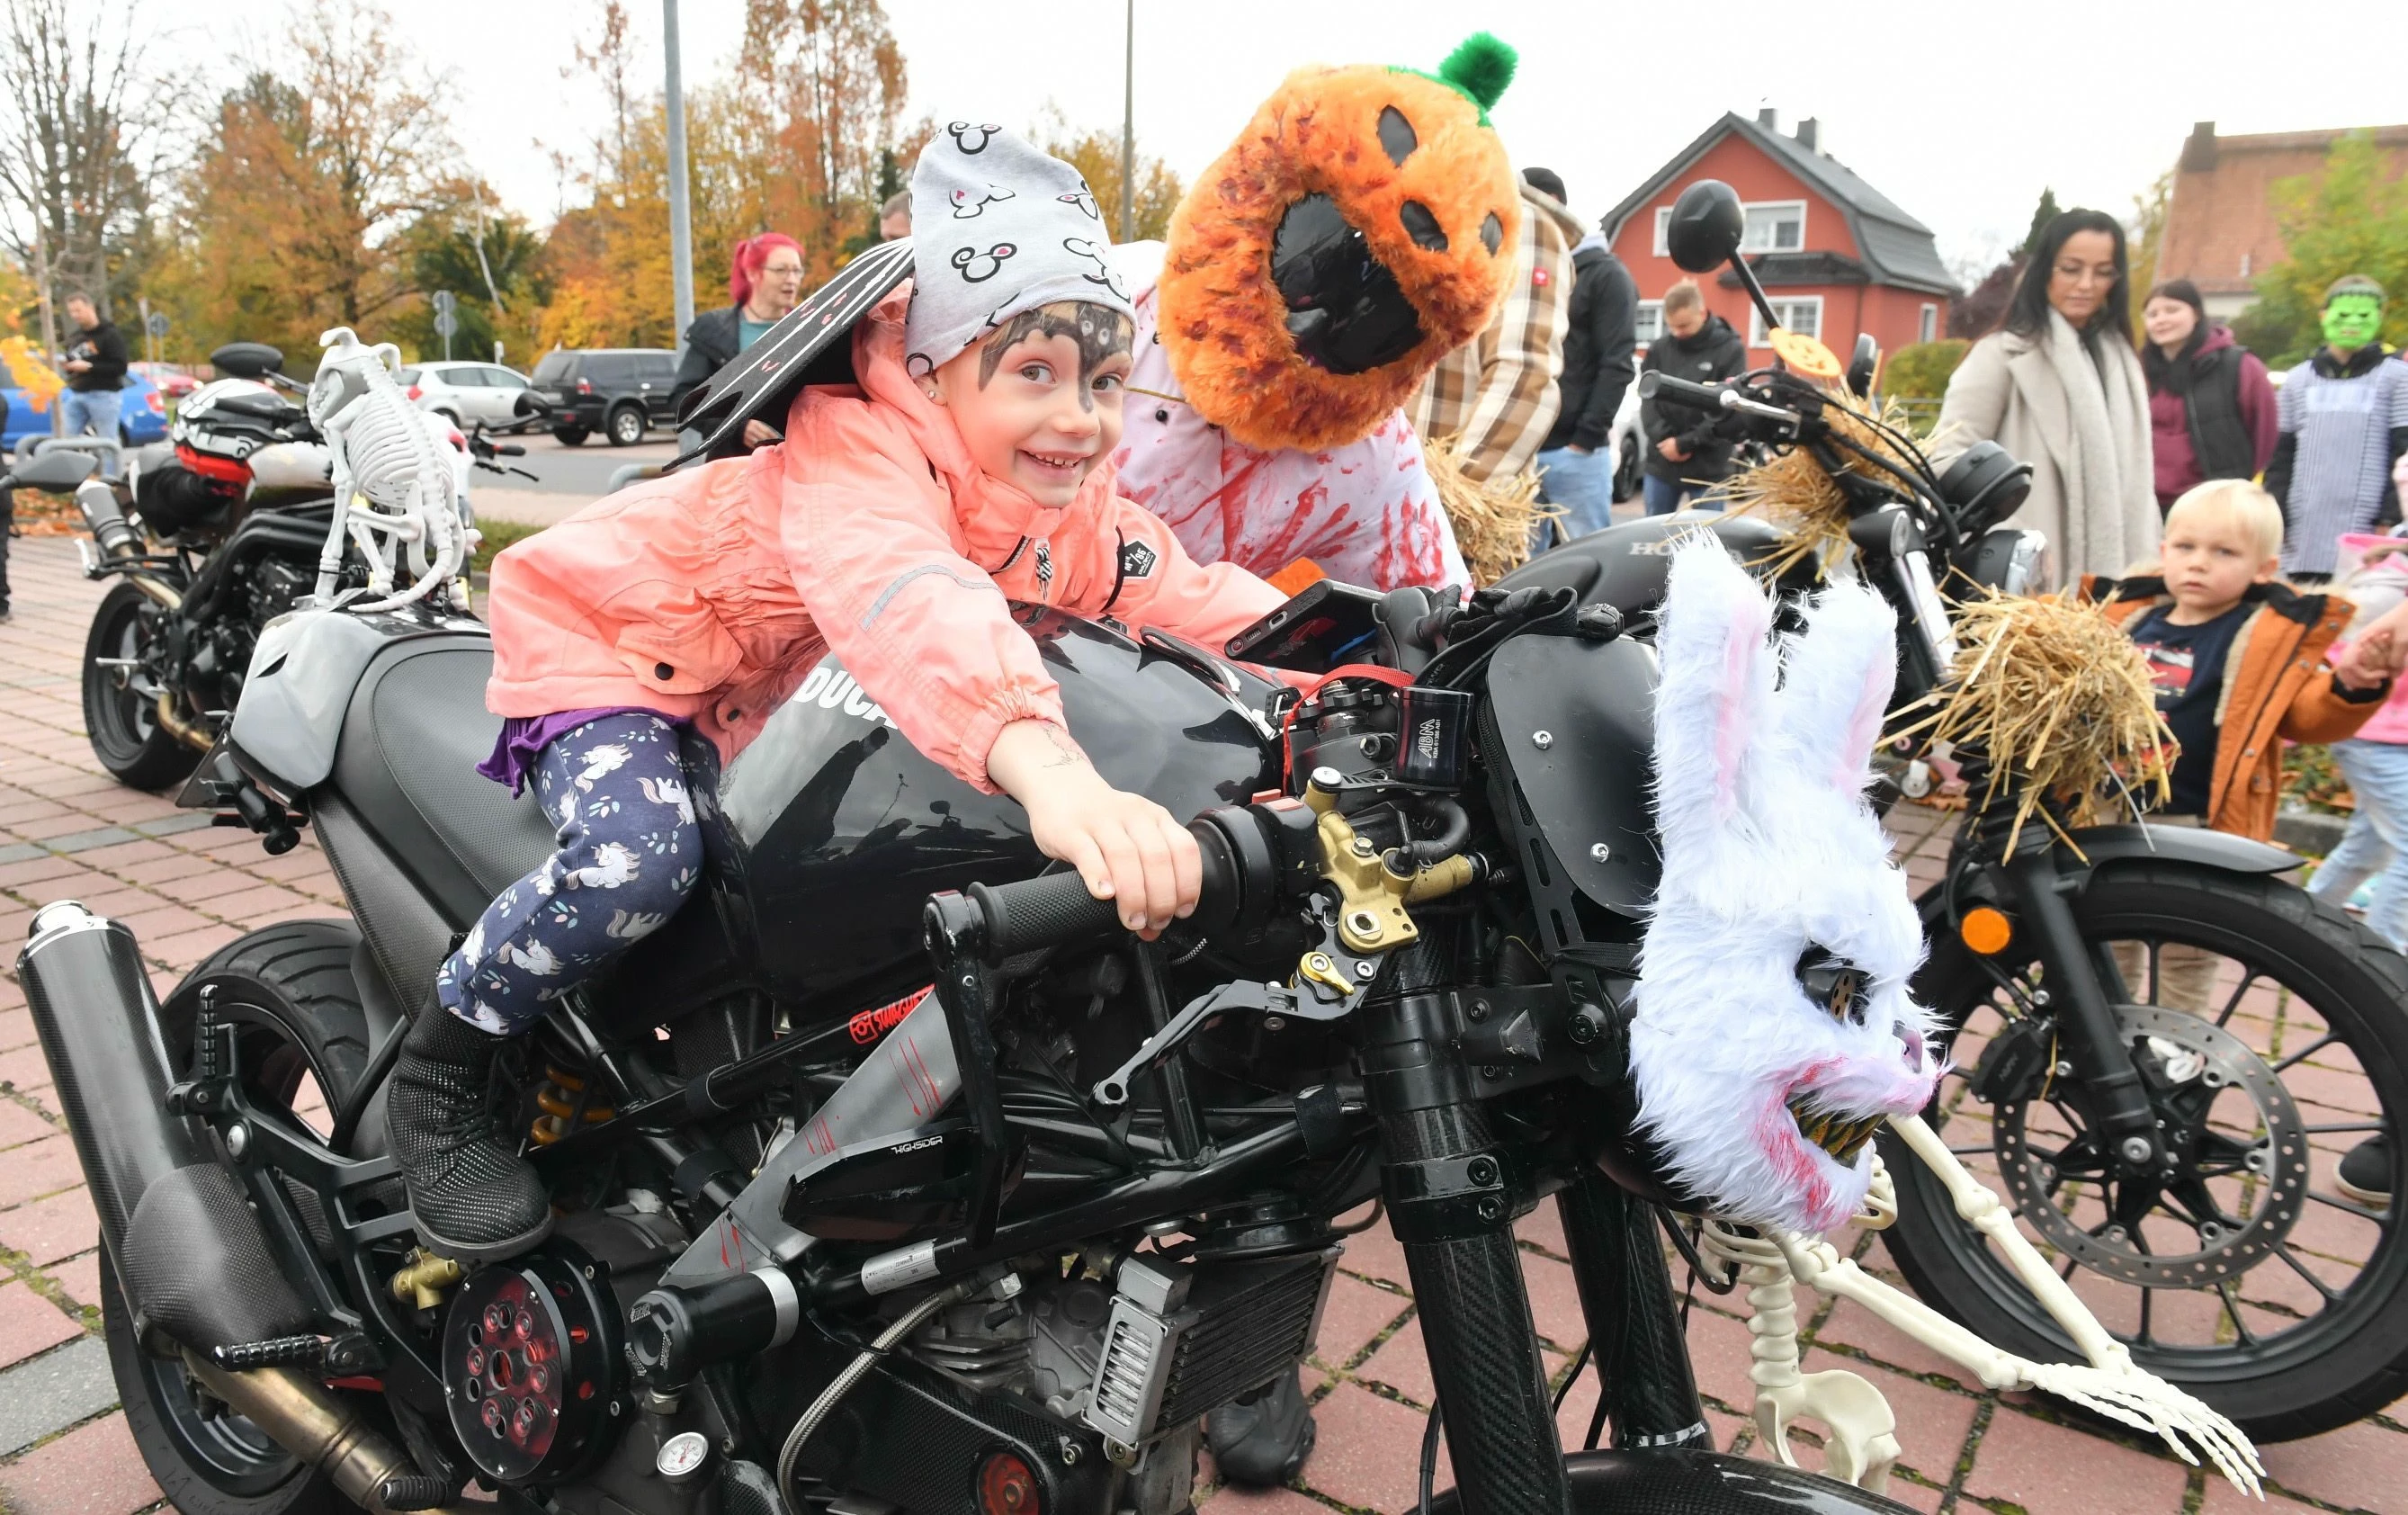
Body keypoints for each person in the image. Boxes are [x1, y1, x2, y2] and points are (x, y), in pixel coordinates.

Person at [389, 129, 1297, 1268]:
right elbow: (911, 596)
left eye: (1104, 381)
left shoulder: (1070, 507)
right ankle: (451, 1061)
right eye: (1035, 374)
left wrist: (1384, 649)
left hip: (759, 683)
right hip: (621, 651)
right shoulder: (865, 456)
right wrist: (1053, 772)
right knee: (646, 860)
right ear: (931, 370)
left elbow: (1206, 604)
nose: (1081, 417)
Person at [1112, 35, 1530, 594]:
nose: (1304, 328)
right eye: (1313, 254)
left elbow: (1435, 615)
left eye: (1379, 323)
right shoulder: (1108, 297)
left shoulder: (1368, 455)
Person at [2089, 480, 2388, 1013]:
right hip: (2112, 811)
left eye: (2224, 552)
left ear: (2263, 569)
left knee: (2190, 944)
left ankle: (2177, 1041)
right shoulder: (2128, 619)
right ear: (2164, 554)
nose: (2199, 564)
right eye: (2186, 548)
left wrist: (2349, 687)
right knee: (2111, 931)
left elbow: (2306, 713)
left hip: (2198, 823)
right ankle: (2111, 1027)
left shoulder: (2262, 637)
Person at [1932, 209, 2155, 583]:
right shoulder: (2001, 354)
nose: (2086, 284)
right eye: (2071, 268)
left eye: (2103, 272)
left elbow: (2140, 482)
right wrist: (2018, 542)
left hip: (2121, 586)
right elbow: (1946, 457)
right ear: (2045, 270)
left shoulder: (2124, 364)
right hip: (2025, 588)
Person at [1412, 157, 1584, 492]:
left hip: (1444, 508)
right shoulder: (1416, 205)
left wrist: (1448, 499)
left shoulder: (1523, 224)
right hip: (1396, 497)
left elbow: (1523, 374)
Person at [2264, 275, 2408, 582]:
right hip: (2302, 527)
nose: (2353, 322)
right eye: (2343, 315)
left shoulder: (2397, 378)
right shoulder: (2297, 381)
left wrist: (2389, 518)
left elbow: (2404, 453)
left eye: (2364, 315)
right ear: (2324, 315)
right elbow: (2282, 456)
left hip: (2366, 528)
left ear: (2379, 317)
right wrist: (2276, 514)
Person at [1531, 168, 1637, 545]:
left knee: (1585, 566)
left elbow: (1618, 363)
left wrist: (1584, 440)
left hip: (1573, 454)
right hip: (1523, 453)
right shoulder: (1527, 270)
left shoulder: (1606, 276)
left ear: (1554, 207)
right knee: (1521, 576)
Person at [2141, 278, 2277, 513]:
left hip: (2215, 504)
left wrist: (2242, 487)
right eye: (2153, 314)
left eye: (2172, 310)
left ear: (2196, 314)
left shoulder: (2239, 366)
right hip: (2149, 504)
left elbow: (2265, 434)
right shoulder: (2138, 370)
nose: (2161, 319)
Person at [672, 233, 806, 447]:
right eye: (781, 270)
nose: (791, 280)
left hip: (799, 464)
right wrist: (735, 427)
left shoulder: (809, 328)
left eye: (797, 271)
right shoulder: (714, 330)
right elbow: (684, 399)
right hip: (734, 468)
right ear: (752, 273)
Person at [1635, 279, 1745, 515]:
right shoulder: (1660, 348)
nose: (1678, 332)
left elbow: (1729, 407)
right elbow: (1648, 398)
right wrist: (1664, 439)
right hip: (1662, 461)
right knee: (1653, 536)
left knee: (1707, 538)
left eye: (1684, 325)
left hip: (1708, 466)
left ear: (1702, 313)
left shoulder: (1730, 349)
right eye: (1672, 326)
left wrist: (1687, 442)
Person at [58, 293, 128, 444]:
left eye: (78, 310)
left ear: (90, 308)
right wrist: (67, 366)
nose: (75, 315)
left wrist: (89, 367)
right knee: (66, 440)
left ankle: (110, 468)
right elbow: (72, 363)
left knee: (106, 442)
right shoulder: (77, 337)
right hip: (78, 392)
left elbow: (120, 367)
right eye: (71, 311)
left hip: (104, 394)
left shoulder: (110, 334)